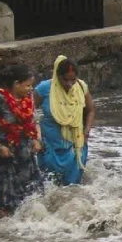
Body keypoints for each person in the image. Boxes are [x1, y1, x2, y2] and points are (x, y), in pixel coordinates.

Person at [0, 64, 44, 218]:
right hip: (4, 159)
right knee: (5, 206)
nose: (31, 89)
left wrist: (37, 139)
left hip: (26, 156)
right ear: (16, 84)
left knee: (33, 198)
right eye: (28, 85)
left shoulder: (28, 99)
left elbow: (35, 121)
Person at [34, 56, 95, 186]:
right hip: (49, 146)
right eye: (65, 80)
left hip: (75, 146)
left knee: (73, 188)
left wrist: (86, 133)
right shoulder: (44, 89)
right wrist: (36, 138)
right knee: (48, 186)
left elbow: (90, 111)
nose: (69, 84)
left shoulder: (81, 87)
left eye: (73, 80)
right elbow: (28, 112)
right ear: (57, 76)